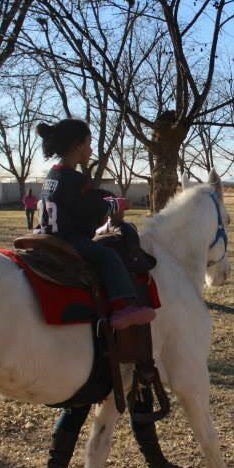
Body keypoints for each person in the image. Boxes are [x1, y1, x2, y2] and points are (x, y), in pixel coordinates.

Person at [36, 119, 155, 331]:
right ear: (77, 145)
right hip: (68, 239)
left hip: (46, 235)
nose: (91, 149)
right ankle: (123, 306)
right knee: (107, 256)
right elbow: (88, 208)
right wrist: (116, 205)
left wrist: (104, 199)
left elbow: (78, 200)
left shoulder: (52, 176)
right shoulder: (75, 178)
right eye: (89, 143)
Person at [37, 391, 193, 468]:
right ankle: (157, 466)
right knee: (139, 386)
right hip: (106, 357)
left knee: (76, 406)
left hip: (87, 355)